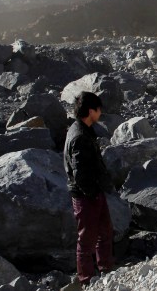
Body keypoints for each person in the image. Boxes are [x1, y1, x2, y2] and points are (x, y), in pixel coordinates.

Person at [63, 91, 114, 286]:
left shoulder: (82, 129)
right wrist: (92, 194)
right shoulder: (79, 137)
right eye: (98, 109)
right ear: (90, 111)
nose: (100, 113)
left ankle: (106, 270)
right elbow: (80, 173)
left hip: (93, 193)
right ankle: (86, 280)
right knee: (86, 240)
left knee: (105, 232)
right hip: (86, 196)